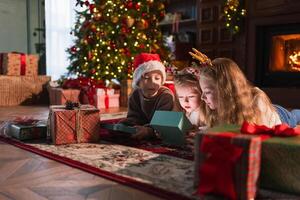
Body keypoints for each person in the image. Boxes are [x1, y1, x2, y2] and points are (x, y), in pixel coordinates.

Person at [194, 56, 300, 128]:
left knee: (295, 116)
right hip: (268, 109)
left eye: (207, 92)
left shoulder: (257, 101)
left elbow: (268, 137)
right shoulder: (213, 105)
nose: (202, 97)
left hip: (281, 116)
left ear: (225, 90)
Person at [120, 53, 174, 139]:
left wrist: (148, 131)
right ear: (138, 82)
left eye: (157, 78)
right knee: (121, 127)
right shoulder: (135, 95)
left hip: (158, 127)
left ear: (162, 81)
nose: (152, 82)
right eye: (146, 78)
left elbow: (163, 124)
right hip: (144, 124)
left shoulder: (166, 96)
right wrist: (126, 125)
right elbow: (133, 117)